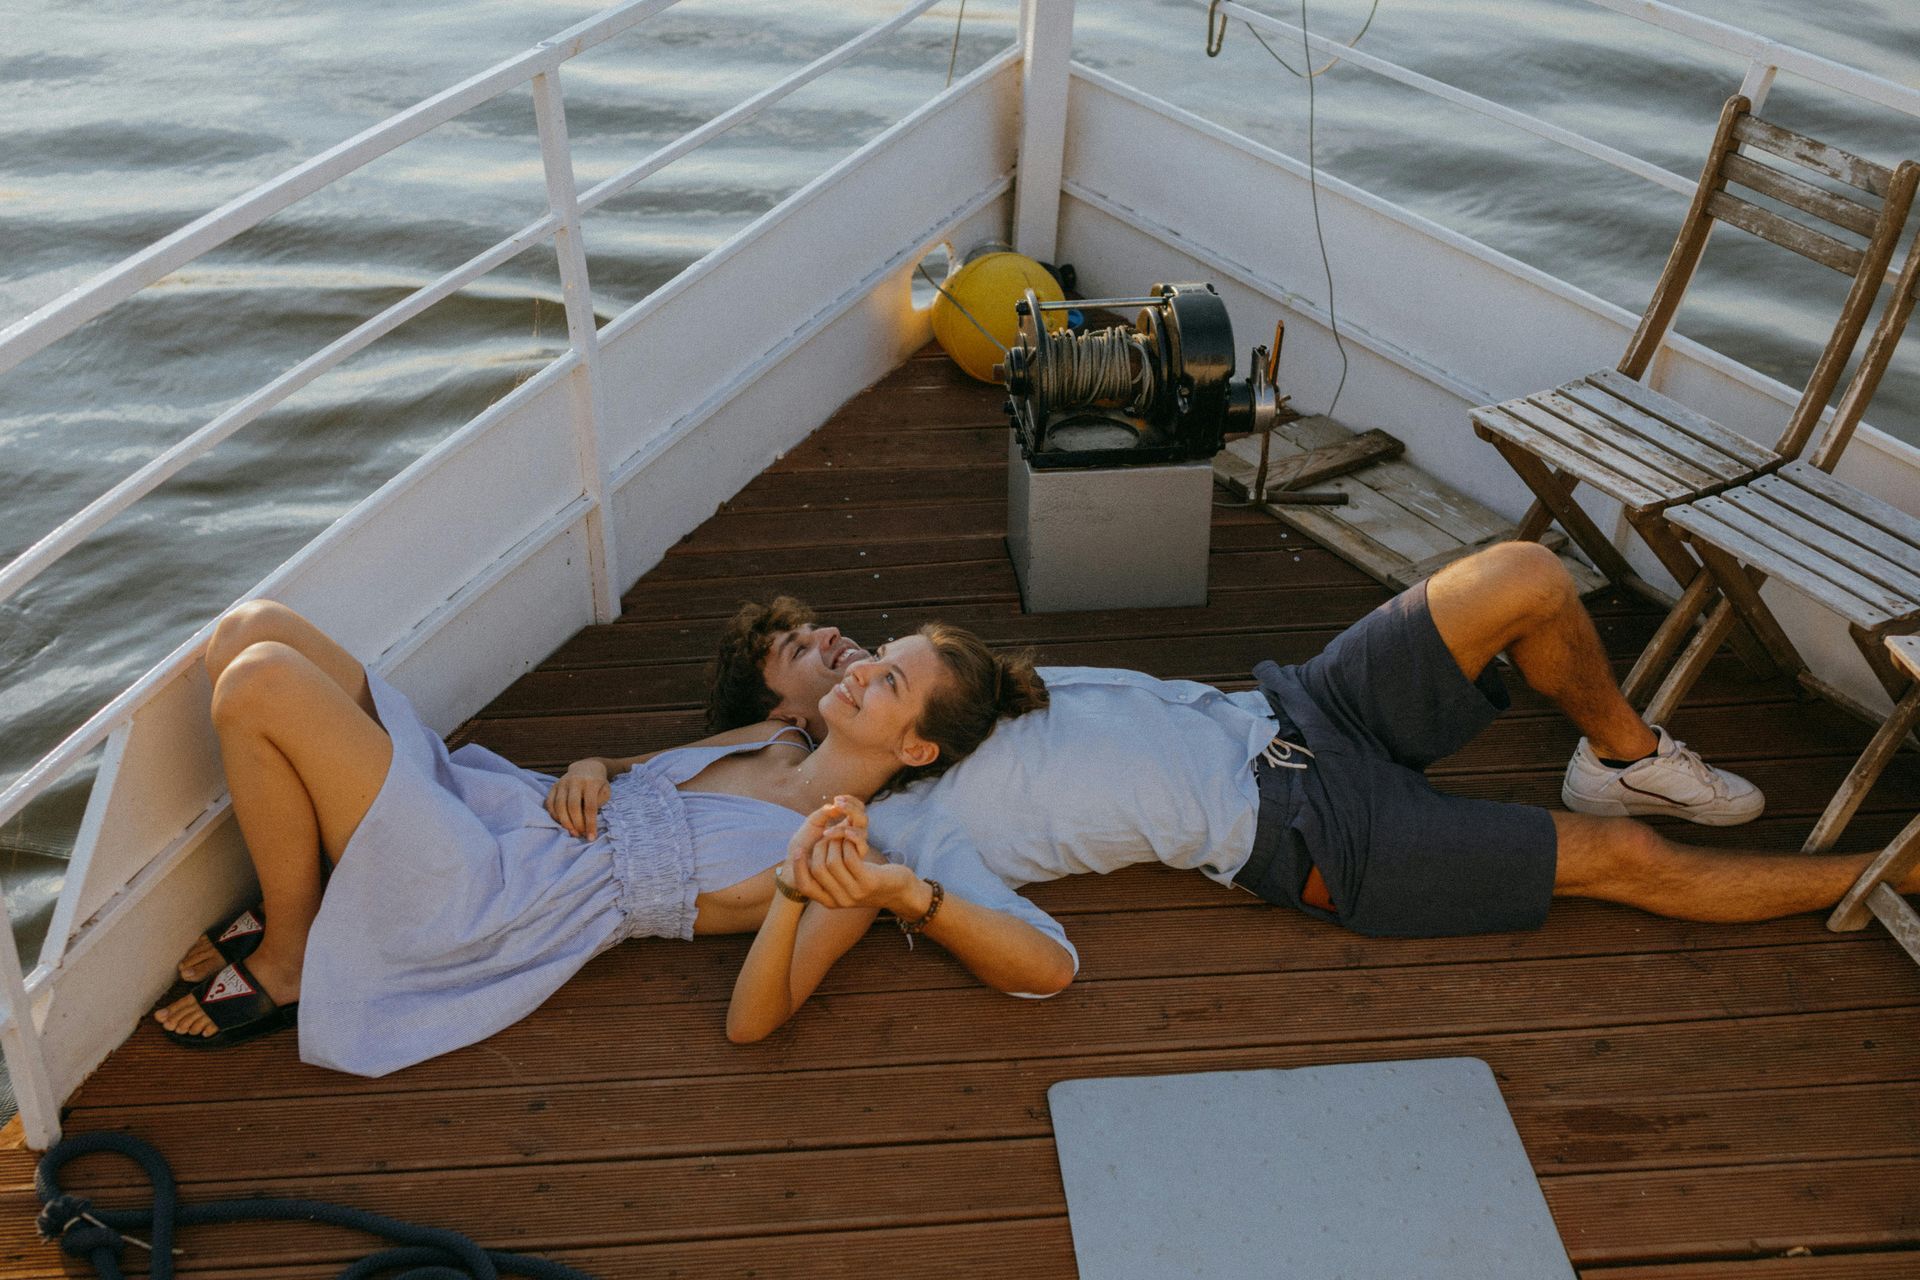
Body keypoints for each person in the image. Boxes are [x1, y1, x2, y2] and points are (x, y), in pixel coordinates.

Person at [709, 542, 1920, 976]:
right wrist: (882, 889)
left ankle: (1625, 749)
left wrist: (615, 759)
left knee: (1526, 576)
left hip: (1297, 705)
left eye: (845, 644)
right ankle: (1885, 873)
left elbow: (701, 751)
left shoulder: (940, 677)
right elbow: (1023, 964)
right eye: (806, 663)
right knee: (1622, 859)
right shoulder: (913, 825)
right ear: (794, 719)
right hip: (1313, 837)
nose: (838, 652)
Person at [152, 600, 1070, 1074]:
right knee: (249, 628)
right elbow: (627, 771)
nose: (864, 670)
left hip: (499, 893)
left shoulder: (849, 864)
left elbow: (752, 1025)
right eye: (883, 655)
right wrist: (588, 769)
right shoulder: (772, 735)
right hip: (514, 805)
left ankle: (291, 950)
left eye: (891, 684)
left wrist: (794, 892)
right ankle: (308, 911)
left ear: (914, 747)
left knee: (260, 681)